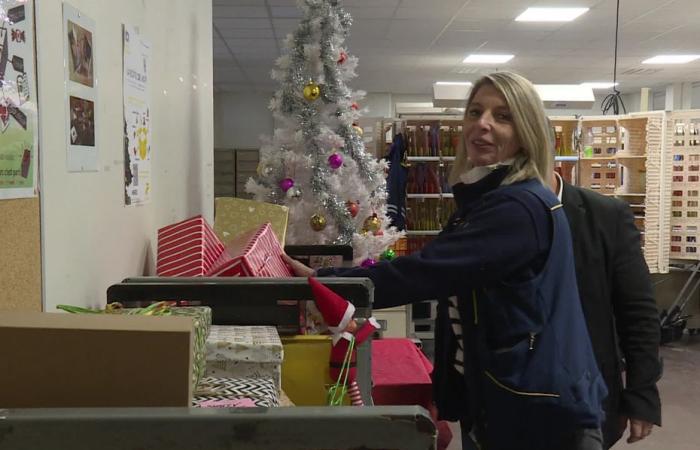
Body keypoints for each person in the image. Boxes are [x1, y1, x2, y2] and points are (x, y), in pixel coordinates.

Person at [285, 71, 607, 450]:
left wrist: (327, 283)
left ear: (527, 131)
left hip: (536, 417)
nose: (482, 124)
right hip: (509, 401)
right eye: (475, 112)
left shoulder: (516, 207)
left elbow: (426, 272)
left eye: (502, 116)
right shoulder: (491, 198)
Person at [552, 170, 662, 448]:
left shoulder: (604, 215)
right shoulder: (484, 215)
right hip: (496, 404)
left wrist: (641, 394)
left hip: (583, 401)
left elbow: (637, 312)